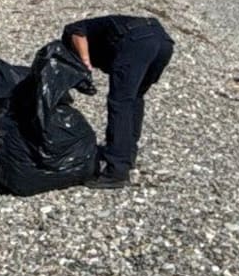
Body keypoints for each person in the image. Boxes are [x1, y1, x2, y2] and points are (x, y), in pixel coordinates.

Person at [62, 15, 174, 189]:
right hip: (163, 42)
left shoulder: (71, 32)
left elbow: (76, 32)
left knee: (120, 102)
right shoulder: (102, 33)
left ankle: (116, 172)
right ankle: (127, 155)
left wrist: (85, 64)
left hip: (136, 41)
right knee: (135, 98)